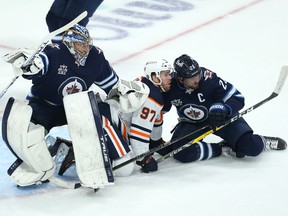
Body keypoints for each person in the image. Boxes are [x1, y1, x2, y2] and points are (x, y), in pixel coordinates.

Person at [1, 24, 148, 188]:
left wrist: (125, 92)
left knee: (98, 119)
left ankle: (80, 154)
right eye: (81, 44)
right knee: (29, 133)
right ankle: (49, 152)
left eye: (87, 43)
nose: (86, 48)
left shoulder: (96, 57)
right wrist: (27, 65)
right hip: (45, 105)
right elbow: (37, 65)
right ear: (70, 44)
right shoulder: (55, 52)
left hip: (76, 108)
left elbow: (112, 86)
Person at [152, 54, 287, 163]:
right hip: (191, 123)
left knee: (252, 147)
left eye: (197, 74)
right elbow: (158, 112)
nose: (197, 80)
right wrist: (151, 138)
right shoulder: (170, 86)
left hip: (221, 119)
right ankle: (222, 148)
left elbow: (238, 97)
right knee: (181, 153)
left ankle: (263, 140)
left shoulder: (209, 79)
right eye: (191, 78)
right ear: (180, 79)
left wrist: (223, 108)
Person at [53, 58, 173, 175]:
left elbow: (156, 120)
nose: (170, 78)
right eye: (166, 74)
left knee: (120, 158)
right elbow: (138, 132)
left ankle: (77, 147)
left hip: (101, 113)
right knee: (124, 168)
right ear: (154, 76)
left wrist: (156, 143)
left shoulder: (144, 83)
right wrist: (144, 158)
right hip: (104, 120)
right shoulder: (153, 97)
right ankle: (74, 152)